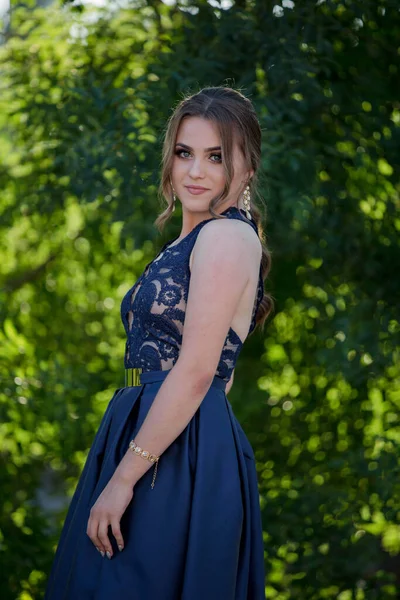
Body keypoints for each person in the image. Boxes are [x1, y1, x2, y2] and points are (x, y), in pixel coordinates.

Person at [44, 85, 273, 600]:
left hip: (164, 449)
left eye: (216, 157)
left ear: (248, 168)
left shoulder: (225, 237)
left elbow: (197, 374)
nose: (196, 171)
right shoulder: (196, 240)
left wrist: (127, 476)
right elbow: (223, 374)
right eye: (184, 153)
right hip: (161, 433)